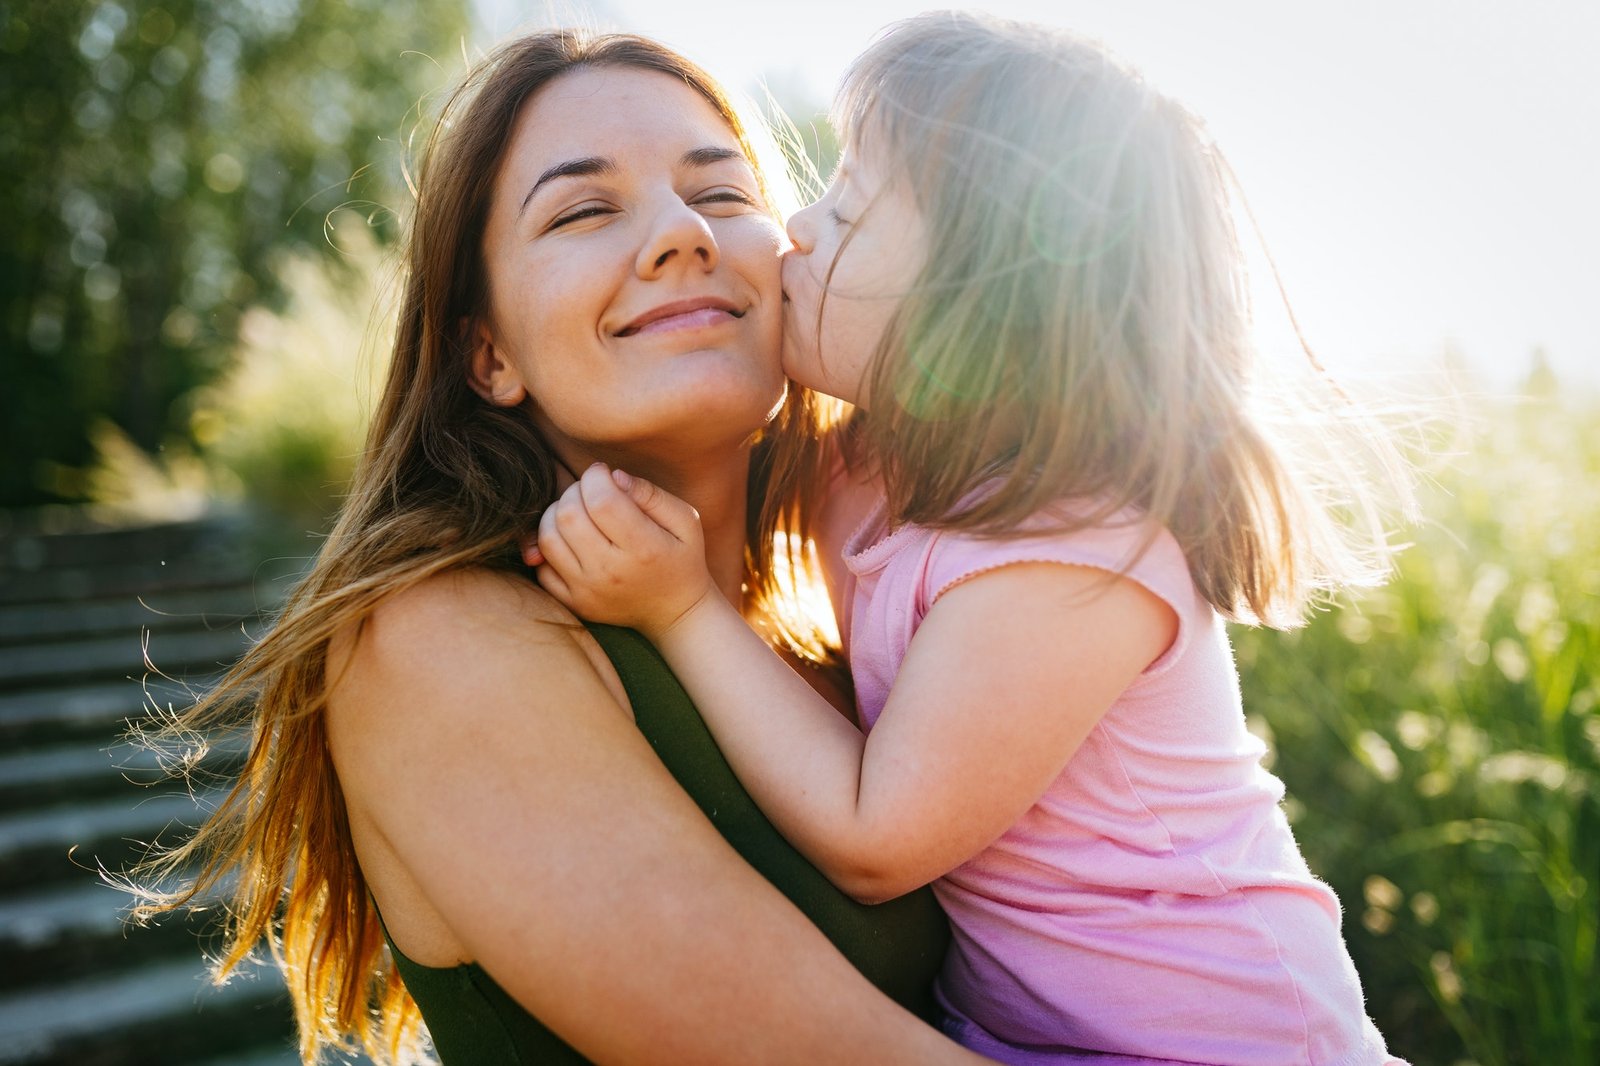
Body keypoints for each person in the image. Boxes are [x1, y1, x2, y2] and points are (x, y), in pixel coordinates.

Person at [530, 11, 1414, 1065]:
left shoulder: (1070, 551)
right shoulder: (870, 468)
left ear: (981, 301)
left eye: (850, 206)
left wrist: (680, 608)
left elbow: (874, 838)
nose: (796, 229)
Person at [126, 29, 992, 1066]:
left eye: (721, 196)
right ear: (489, 355)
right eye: (585, 210)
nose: (681, 234)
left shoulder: (854, 651)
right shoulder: (436, 644)